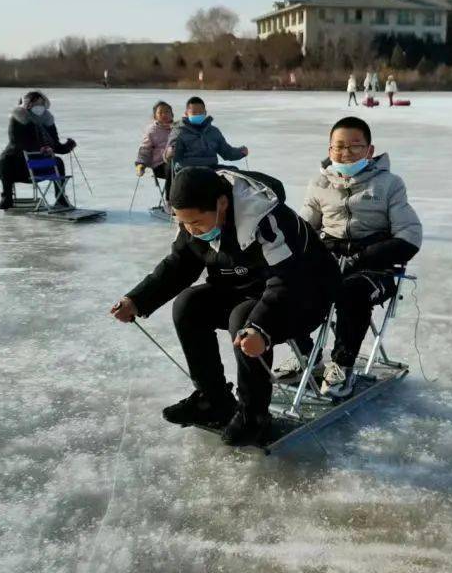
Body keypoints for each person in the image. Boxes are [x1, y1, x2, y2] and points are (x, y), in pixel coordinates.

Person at [111, 167, 341, 446]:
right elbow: (180, 264)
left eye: (196, 222)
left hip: (305, 295)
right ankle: (213, 399)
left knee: (244, 319)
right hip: (250, 290)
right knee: (189, 305)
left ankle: (253, 415)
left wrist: (260, 328)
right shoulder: (195, 222)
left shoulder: (266, 219)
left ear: (222, 203)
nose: (190, 230)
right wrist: (137, 299)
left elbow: (287, 280)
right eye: (184, 223)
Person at [287, 117, 422, 398]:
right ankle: (306, 355)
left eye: (354, 146)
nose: (345, 153)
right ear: (329, 149)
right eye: (339, 147)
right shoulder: (319, 183)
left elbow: (409, 236)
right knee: (284, 285)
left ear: (370, 151)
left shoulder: (389, 184)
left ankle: (342, 365)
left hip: (375, 270)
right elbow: (302, 229)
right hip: (330, 261)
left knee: (351, 292)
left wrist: (360, 259)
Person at [0, 90, 76, 210]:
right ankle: (7, 197)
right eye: (35, 103)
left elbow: (55, 145)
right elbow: (17, 143)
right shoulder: (18, 119)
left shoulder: (47, 120)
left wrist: (68, 146)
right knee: (5, 160)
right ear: (27, 104)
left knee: (58, 162)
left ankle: (61, 198)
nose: (39, 107)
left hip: (38, 165)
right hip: (19, 166)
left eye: (41, 103)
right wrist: (40, 148)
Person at [166, 96, 248, 173]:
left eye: (200, 112)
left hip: (211, 169)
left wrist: (241, 152)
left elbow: (226, 152)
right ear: (186, 114)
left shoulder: (214, 132)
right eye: (194, 112)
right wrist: (169, 154)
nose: (198, 114)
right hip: (187, 171)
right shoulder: (179, 131)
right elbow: (170, 155)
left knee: (234, 172)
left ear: (205, 113)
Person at [135, 101, 175, 209]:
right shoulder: (152, 130)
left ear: (172, 114)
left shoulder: (178, 129)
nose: (164, 115)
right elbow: (145, 148)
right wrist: (140, 164)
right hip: (160, 165)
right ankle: (170, 202)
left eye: (167, 112)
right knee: (172, 168)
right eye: (160, 112)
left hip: (178, 162)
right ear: (155, 116)